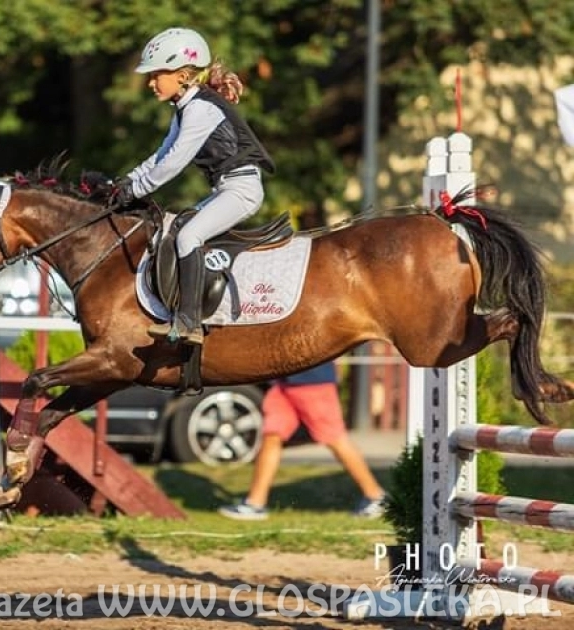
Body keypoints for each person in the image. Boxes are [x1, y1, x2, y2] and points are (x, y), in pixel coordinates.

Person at [109, 27, 275, 345]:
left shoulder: (202, 109)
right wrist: (125, 182)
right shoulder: (184, 108)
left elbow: (173, 164)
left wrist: (137, 190)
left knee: (188, 236)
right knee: (174, 230)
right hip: (225, 189)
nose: (150, 82)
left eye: (156, 74)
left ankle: (189, 322)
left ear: (183, 74)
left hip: (241, 191)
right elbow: (159, 156)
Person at [218, 361, 386, 520]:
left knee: (334, 437)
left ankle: (376, 497)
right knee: (272, 435)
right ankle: (255, 504)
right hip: (284, 381)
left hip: (313, 381)